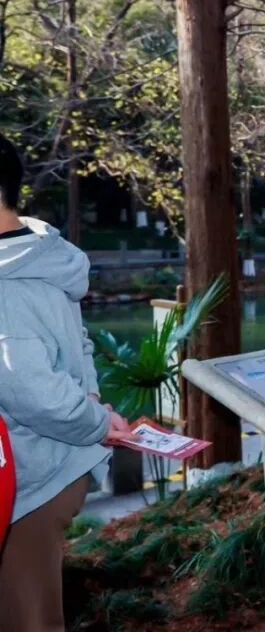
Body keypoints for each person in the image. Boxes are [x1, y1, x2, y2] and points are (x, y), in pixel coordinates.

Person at [0, 134, 136, 632]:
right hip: (48, 466)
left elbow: (31, 392)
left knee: (28, 620)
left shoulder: (6, 282)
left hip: (26, 479)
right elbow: (78, 343)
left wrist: (94, 420)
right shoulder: (40, 256)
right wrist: (95, 406)